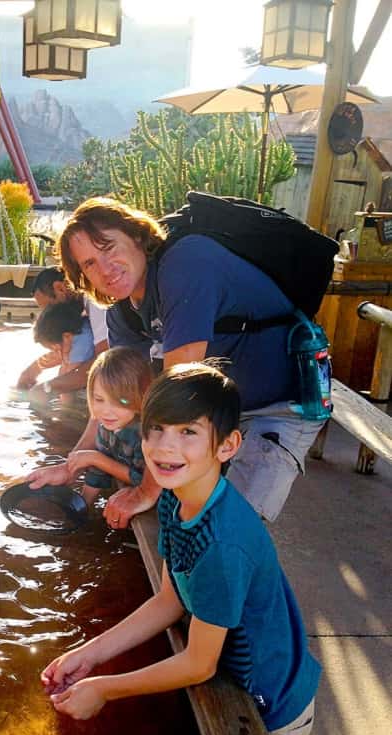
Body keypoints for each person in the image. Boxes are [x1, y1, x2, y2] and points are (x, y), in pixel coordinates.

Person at [41, 362, 321, 735]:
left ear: (227, 446)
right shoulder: (175, 498)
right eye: (155, 429)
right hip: (231, 671)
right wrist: (89, 656)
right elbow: (170, 599)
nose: (164, 447)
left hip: (271, 706)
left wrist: (104, 689)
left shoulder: (223, 545)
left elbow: (198, 664)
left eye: (188, 432)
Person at [31, 197, 325, 528]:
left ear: (137, 235)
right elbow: (115, 397)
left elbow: (178, 395)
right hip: (214, 414)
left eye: (109, 247)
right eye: (89, 264)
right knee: (185, 524)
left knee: (227, 531)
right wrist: (72, 463)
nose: (105, 268)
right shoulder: (122, 312)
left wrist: (145, 490)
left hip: (277, 407)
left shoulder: (186, 264)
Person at [32, 347, 152, 508]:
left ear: (142, 395)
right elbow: (98, 471)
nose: (106, 411)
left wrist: (95, 458)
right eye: (99, 399)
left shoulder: (146, 435)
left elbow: (144, 480)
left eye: (120, 402)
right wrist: (83, 505)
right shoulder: (105, 426)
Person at [16, 266, 108, 402]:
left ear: (60, 288)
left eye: (49, 307)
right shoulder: (82, 312)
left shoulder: (95, 302)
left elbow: (104, 361)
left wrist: (48, 388)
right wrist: (35, 368)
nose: (48, 316)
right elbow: (72, 350)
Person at [32, 297, 95, 404]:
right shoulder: (79, 328)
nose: (56, 353)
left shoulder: (82, 341)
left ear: (67, 337)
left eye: (55, 348)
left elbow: (67, 384)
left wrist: (65, 411)